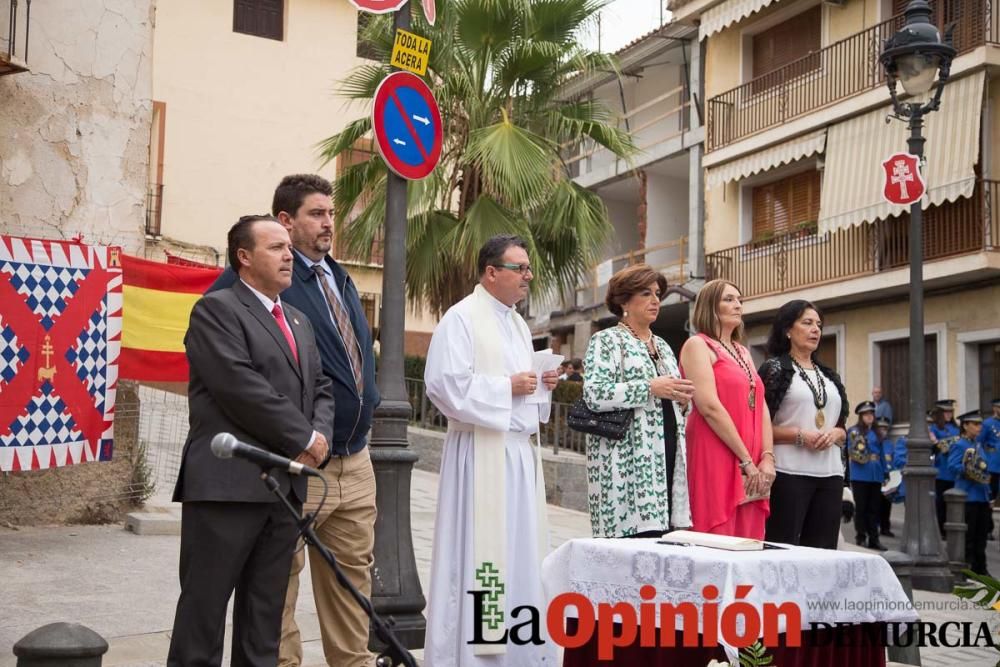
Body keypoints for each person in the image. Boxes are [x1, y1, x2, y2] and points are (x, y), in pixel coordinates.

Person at [210, 174, 380, 667]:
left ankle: (354, 663)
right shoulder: (261, 279)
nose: (329, 223)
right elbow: (228, 350)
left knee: (352, 579)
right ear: (284, 220)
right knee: (277, 578)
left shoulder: (339, 276)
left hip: (356, 461)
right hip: (298, 461)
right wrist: (301, 434)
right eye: (316, 214)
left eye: (331, 213)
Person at [167, 216, 335, 667]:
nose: (288, 255)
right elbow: (240, 386)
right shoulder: (216, 310)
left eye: (288, 248)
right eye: (276, 247)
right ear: (244, 257)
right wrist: (303, 436)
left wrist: (320, 437)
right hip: (227, 486)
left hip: (284, 489)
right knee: (203, 616)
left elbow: (320, 387)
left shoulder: (297, 319)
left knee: (264, 623)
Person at [423, 235, 560, 665]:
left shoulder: (518, 323)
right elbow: (443, 385)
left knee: (520, 557)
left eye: (528, 268)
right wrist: (507, 387)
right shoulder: (461, 318)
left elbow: (526, 392)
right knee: (486, 560)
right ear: (491, 272)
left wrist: (542, 383)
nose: (528, 276)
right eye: (519, 268)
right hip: (481, 456)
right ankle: (480, 654)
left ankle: (518, 654)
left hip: (519, 457)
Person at [582, 265, 695, 538]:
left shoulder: (664, 346)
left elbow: (671, 395)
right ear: (624, 301)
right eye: (646, 293)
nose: (656, 300)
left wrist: (682, 399)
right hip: (626, 460)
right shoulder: (606, 340)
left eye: (658, 293)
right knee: (630, 545)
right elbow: (594, 393)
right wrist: (650, 387)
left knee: (663, 540)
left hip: (666, 451)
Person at [680, 279, 775, 540]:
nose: (738, 305)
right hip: (717, 450)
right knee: (716, 533)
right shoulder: (698, 345)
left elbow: (761, 405)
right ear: (710, 306)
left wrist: (767, 456)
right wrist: (746, 460)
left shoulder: (743, 352)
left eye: (739, 300)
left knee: (748, 537)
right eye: (729, 299)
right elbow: (708, 406)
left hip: (750, 456)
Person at [758, 300, 848, 549]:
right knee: (781, 549)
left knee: (822, 552)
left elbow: (842, 426)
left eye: (818, 324)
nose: (815, 329)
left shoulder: (829, 376)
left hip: (830, 475)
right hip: (789, 473)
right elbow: (757, 425)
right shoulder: (774, 369)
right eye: (807, 323)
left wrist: (836, 433)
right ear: (787, 329)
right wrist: (799, 435)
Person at [948, 411, 990, 576]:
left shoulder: (978, 445)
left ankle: (981, 568)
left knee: (982, 535)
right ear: (965, 426)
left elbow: (983, 466)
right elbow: (952, 466)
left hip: (982, 495)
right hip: (968, 495)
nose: (979, 427)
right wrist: (967, 470)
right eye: (975, 424)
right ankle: (966, 569)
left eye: (980, 424)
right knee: (969, 536)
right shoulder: (959, 445)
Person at [847, 401, 886, 550]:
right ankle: (861, 537)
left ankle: (874, 539)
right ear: (861, 416)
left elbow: (881, 453)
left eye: (871, 414)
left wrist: (884, 472)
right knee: (862, 508)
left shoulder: (877, 432)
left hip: (875, 474)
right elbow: (852, 450)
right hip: (860, 474)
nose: (869, 417)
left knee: (874, 509)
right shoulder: (854, 431)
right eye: (866, 414)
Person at [930, 399, 960, 536]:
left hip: (954, 470)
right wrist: (938, 444)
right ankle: (941, 529)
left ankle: (952, 528)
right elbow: (933, 448)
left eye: (950, 412)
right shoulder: (934, 428)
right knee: (940, 502)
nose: (948, 414)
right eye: (946, 412)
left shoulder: (956, 428)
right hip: (942, 469)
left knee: (954, 502)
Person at [874, 418, 896, 537]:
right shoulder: (876, 442)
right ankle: (875, 526)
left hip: (888, 479)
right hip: (877, 476)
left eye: (885, 429)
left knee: (887, 504)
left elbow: (893, 460)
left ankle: (885, 527)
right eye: (881, 429)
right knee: (876, 504)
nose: (883, 431)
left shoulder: (889, 444)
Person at [979, 398, 1000, 508]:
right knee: (991, 492)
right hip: (993, 464)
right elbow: (979, 442)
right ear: (995, 408)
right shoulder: (987, 424)